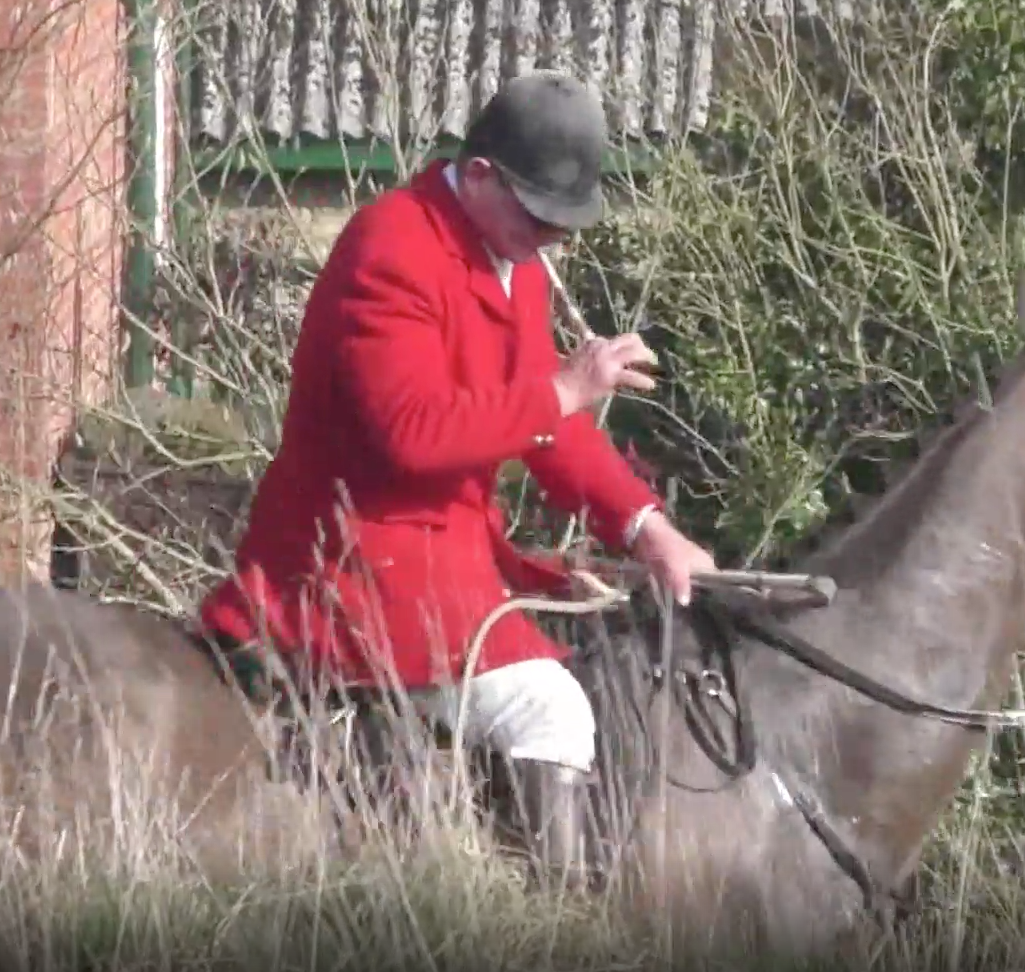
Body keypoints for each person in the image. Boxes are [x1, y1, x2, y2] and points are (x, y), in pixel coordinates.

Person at [198, 70, 717, 883]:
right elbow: (413, 434)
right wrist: (562, 388)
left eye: (563, 223)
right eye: (539, 215)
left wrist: (650, 531)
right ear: (478, 176)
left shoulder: (514, 260)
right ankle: (547, 933)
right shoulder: (389, 249)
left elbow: (549, 433)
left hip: (449, 558)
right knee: (553, 713)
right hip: (356, 569)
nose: (553, 238)